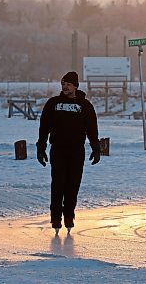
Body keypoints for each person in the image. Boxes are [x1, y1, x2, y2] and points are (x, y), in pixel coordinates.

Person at [36, 71, 101, 234]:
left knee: (73, 185)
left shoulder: (85, 106)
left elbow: (92, 129)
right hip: (57, 150)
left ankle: (69, 215)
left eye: (68, 84)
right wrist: (41, 146)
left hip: (77, 150)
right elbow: (44, 127)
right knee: (58, 184)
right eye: (63, 84)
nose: (65, 87)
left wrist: (96, 148)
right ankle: (56, 217)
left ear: (76, 86)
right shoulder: (53, 103)